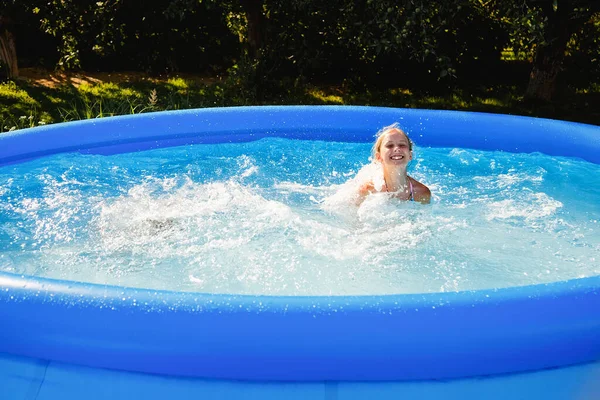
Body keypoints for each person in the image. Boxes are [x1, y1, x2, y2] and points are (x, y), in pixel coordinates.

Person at [356, 123, 431, 205]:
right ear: (378, 157)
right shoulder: (368, 191)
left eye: (402, 145)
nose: (397, 149)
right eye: (390, 145)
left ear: (410, 155)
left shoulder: (421, 193)